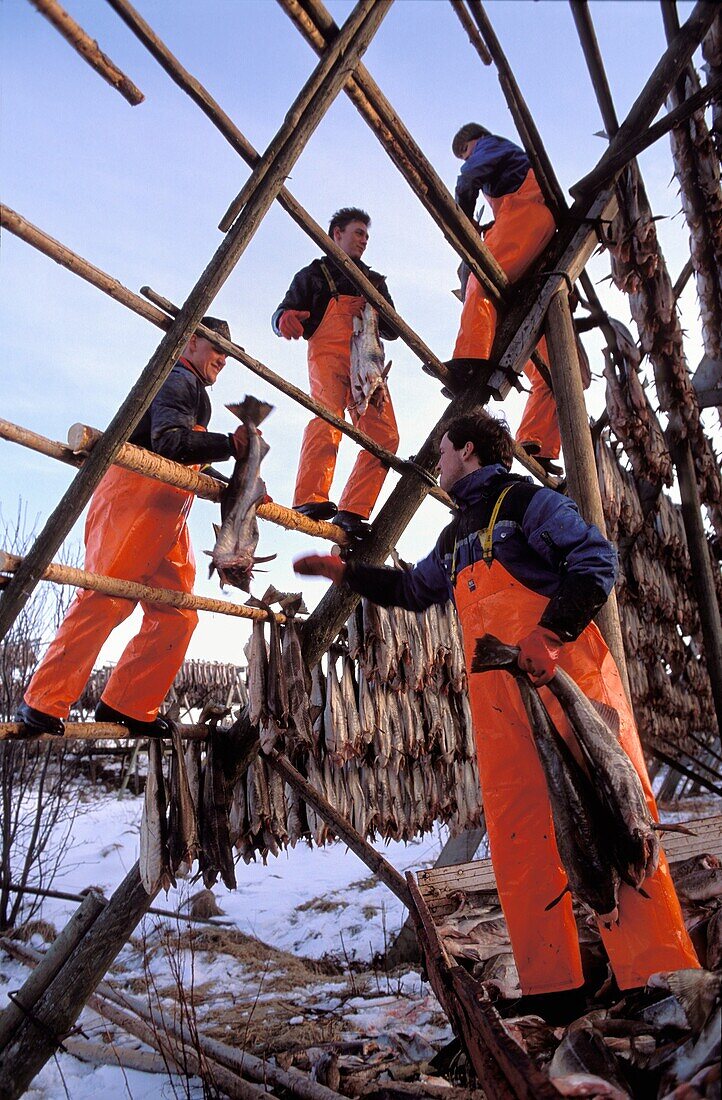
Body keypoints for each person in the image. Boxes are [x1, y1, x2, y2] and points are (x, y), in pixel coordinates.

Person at [295, 410, 698, 1019]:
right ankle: (552, 987)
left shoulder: (530, 505)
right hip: (498, 702)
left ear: (468, 449)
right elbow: (413, 592)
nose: (436, 461)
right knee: (518, 838)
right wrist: (345, 574)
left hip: (565, 682)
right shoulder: (454, 536)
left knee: (620, 821)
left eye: (442, 450)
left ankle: (657, 975)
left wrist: (550, 632)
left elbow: (597, 562)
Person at [16, 317, 249, 738]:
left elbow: (185, 451)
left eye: (228, 354)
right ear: (191, 341)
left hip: (169, 508)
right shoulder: (177, 378)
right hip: (134, 495)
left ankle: (128, 703)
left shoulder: (195, 392)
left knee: (178, 614)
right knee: (106, 597)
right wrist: (230, 445)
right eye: (217, 348)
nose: (224, 359)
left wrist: (238, 480)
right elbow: (169, 442)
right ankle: (42, 699)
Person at [272, 207, 399, 539]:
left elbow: (394, 330)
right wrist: (283, 320)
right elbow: (282, 311)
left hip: (367, 362)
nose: (364, 240)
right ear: (336, 234)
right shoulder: (312, 276)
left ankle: (352, 511)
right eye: (358, 233)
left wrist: (374, 306)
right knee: (327, 417)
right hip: (328, 357)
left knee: (385, 437)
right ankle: (308, 498)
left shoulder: (374, 281)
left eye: (367, 236)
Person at [451, 123, 562, 474]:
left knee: (480, 278)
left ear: (472, 142)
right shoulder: (512, 161)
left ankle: (471, 359)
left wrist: (463, 219)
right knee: (549, 368)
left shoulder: (489, 146)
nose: (467, 158)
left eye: (463, 152)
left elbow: (468, 178)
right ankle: (538, 442)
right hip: (536, 227)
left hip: (524, 215)